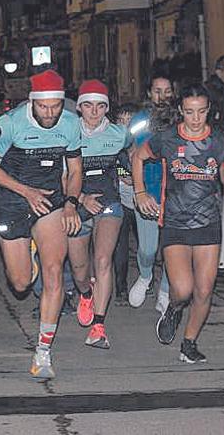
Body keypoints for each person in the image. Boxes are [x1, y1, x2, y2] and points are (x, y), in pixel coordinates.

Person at [133, 84, 224, 363]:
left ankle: (189, 343)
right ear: (181, 111)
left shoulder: (219, 142)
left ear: (208, 110)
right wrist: (140, 193)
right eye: (189, 112)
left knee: (204, 289)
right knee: (183, 289)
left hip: (208, 223)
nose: (196, 118)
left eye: (200, 112)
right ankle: (174, 308)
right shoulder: (167, 139)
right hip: (175, 222)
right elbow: (138, 157)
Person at [0, 69, 82, 380]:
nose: (49, 113)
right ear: (31, 101)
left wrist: (71, 203)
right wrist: (25, 191)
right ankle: (28, 253)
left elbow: (75, 170)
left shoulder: (71, 123)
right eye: (43, 106)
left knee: (54, 271)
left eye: (55, 106)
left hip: (49, 200)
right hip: (12, 199)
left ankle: (43, 351)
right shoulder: (9, 123)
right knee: (21, 283)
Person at [66, 80, 131, 349]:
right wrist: (81, 198)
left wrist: (131, 182)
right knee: (81, 270)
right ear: (80, 107)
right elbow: (62, 175)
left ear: (107, 108)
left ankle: (99, 326)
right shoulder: (67, 132)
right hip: (77, 204)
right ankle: (85, 292)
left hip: (109, 203)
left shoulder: (119, 134)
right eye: (89, 106)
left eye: (101, 106)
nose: (94, 112)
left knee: (103, 260)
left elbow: (132, 160)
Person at [126, 75, 175, 311]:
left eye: (167, 91)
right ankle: (145, 276)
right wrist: (138, 189)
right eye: (157, 91)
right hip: (147, 190)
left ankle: (165, 290)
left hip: (175, 194)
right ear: (149, 93)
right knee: (148, 248)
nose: (162, 96)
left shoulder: (179, 118)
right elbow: (128, 151)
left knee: (171, 248)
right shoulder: (139, 120)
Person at [112, 102, 143, 306]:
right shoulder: (113, 144)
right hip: (120, 201)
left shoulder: (145, 144)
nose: (125, 126)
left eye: (129, 122)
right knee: (120, 247)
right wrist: (124, 174)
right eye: (121, 122)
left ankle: (145, 279)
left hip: (141, 203)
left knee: (145, 247)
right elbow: (111, 166)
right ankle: (120, 288)